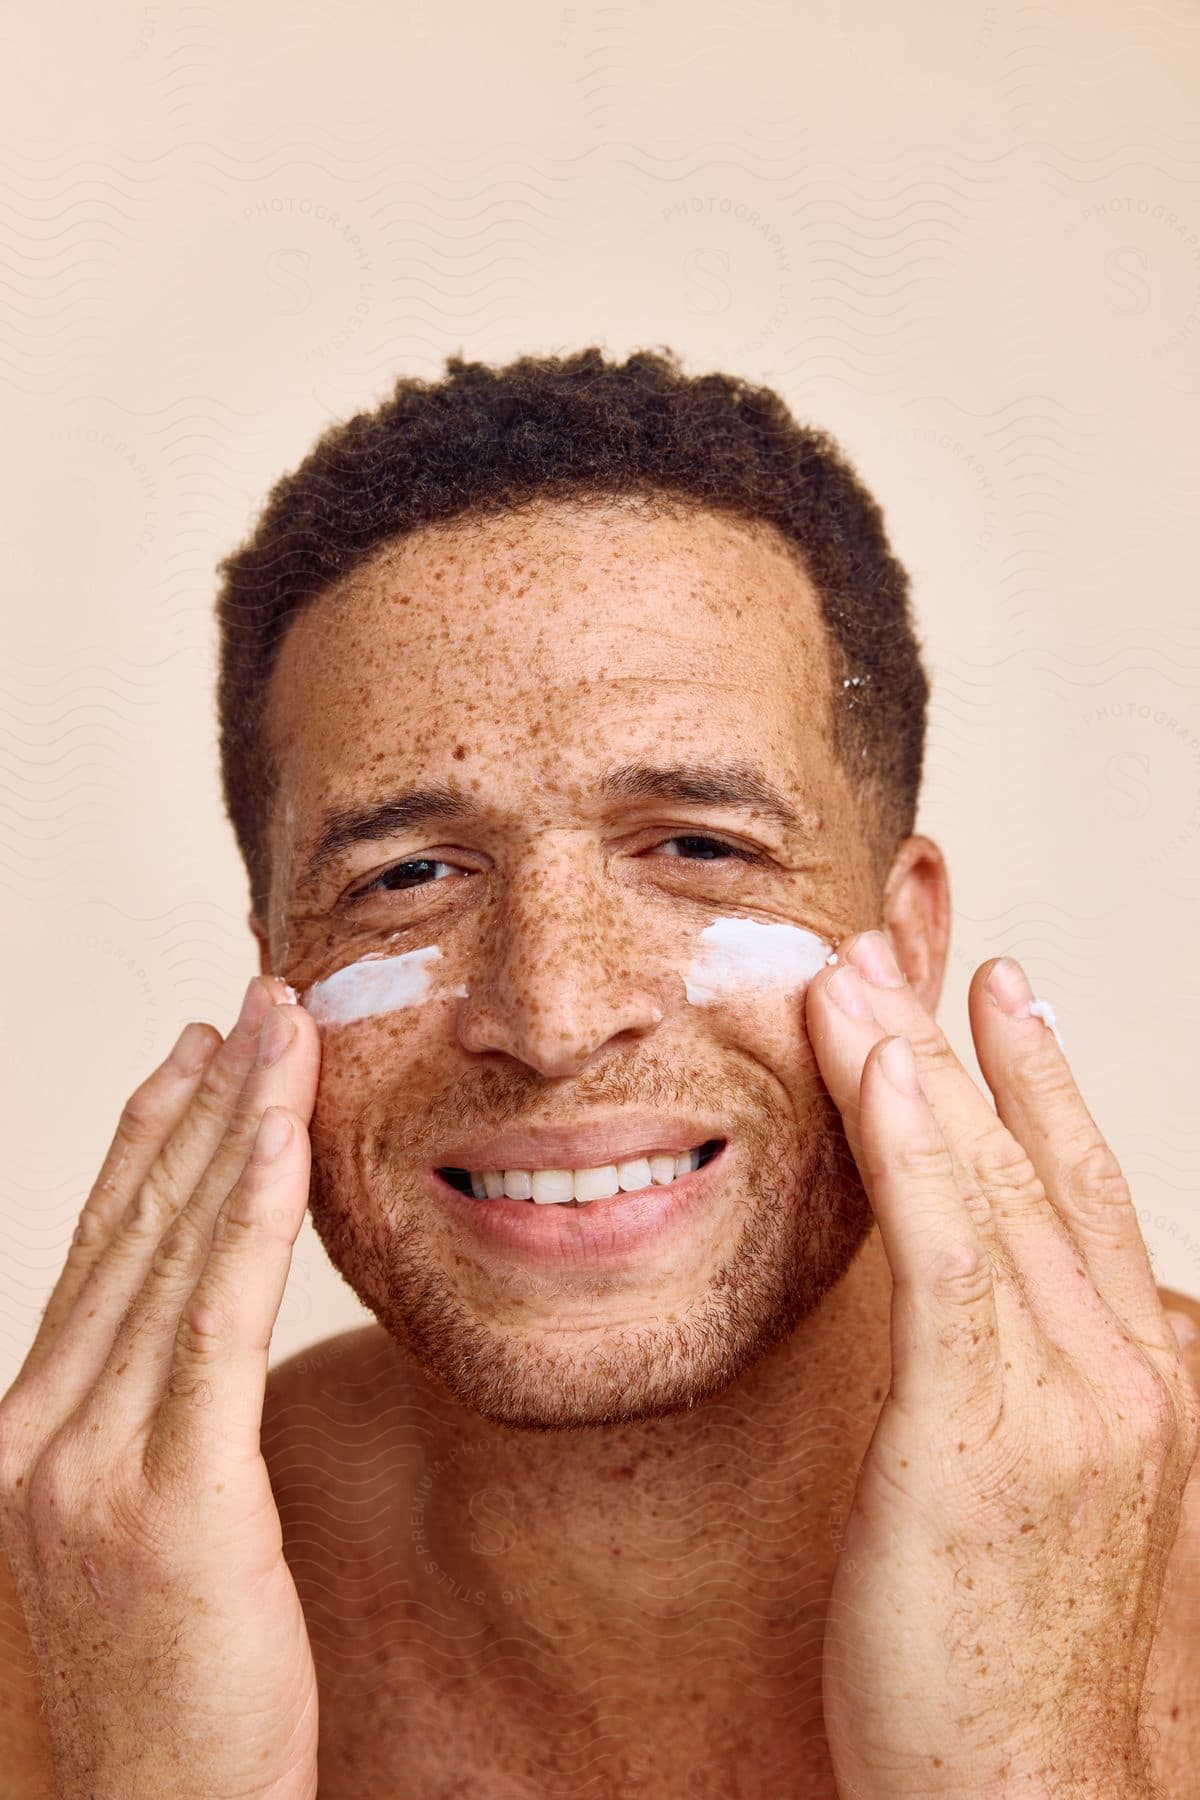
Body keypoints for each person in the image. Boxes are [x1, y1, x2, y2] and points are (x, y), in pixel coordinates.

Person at [2, 348, 1198, 1798]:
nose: (554, 1017)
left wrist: (1029, 1768)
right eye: (410, 876)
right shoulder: (74, 1601)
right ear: (276, 977)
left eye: (699, 848)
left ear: (905, 935)